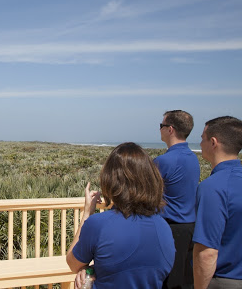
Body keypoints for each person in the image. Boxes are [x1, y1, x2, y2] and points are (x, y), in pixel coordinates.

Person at [67, 142, 175, 289]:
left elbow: (73, 263)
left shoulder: (98, 224)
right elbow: (133, 268)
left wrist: (87, 213)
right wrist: (94, 268)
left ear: (110, 180)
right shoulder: (163, 227)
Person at [193, 116, 242, 289]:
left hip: (224, 279)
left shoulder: (213, 187)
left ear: (213, 142)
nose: (200, 144)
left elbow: (207, 252)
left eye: (202, 138)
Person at [154, 110, 200, 289]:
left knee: (168, 281)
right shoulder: (193, 158)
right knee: (184, 280)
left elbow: (143, 191)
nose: (160, 130)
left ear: (170, 129)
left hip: (170, 228)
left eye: (161, 126)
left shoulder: (164, 161)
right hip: (191, 228)